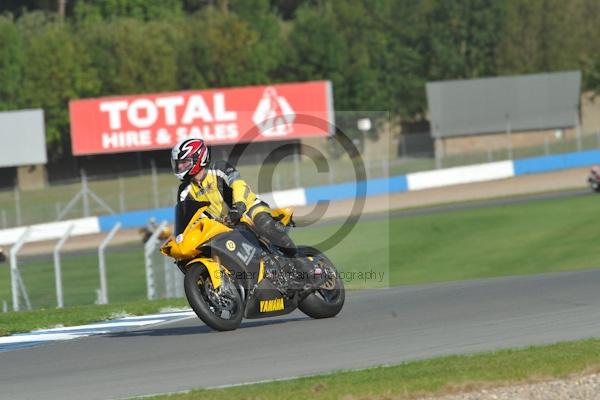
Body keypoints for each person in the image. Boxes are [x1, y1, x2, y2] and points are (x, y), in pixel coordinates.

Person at [171, 138, 320, 286]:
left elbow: (238, 184)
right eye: (178, 164)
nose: (180, 167)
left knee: (265, 224)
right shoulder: (184, 191)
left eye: (184, 162)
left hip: (247, 209)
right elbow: (187, 216)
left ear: (198, 158)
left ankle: (305, 265)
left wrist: (239, 206)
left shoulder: (219, 168)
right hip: (222, 226)